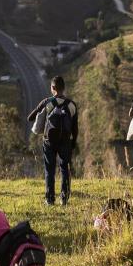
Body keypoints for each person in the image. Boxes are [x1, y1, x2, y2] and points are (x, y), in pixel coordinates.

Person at [27, 76, 78, 206]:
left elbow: (30, 118)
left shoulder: (47, 102)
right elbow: (75, 128)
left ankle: (50, 200)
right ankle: (64, 199)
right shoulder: (72, 105)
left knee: (49, 170)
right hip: (66, 141)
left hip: (49, 141)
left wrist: (40, 109)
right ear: (64, 88)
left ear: (53, 88)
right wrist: (73, 143)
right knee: (65, 169)